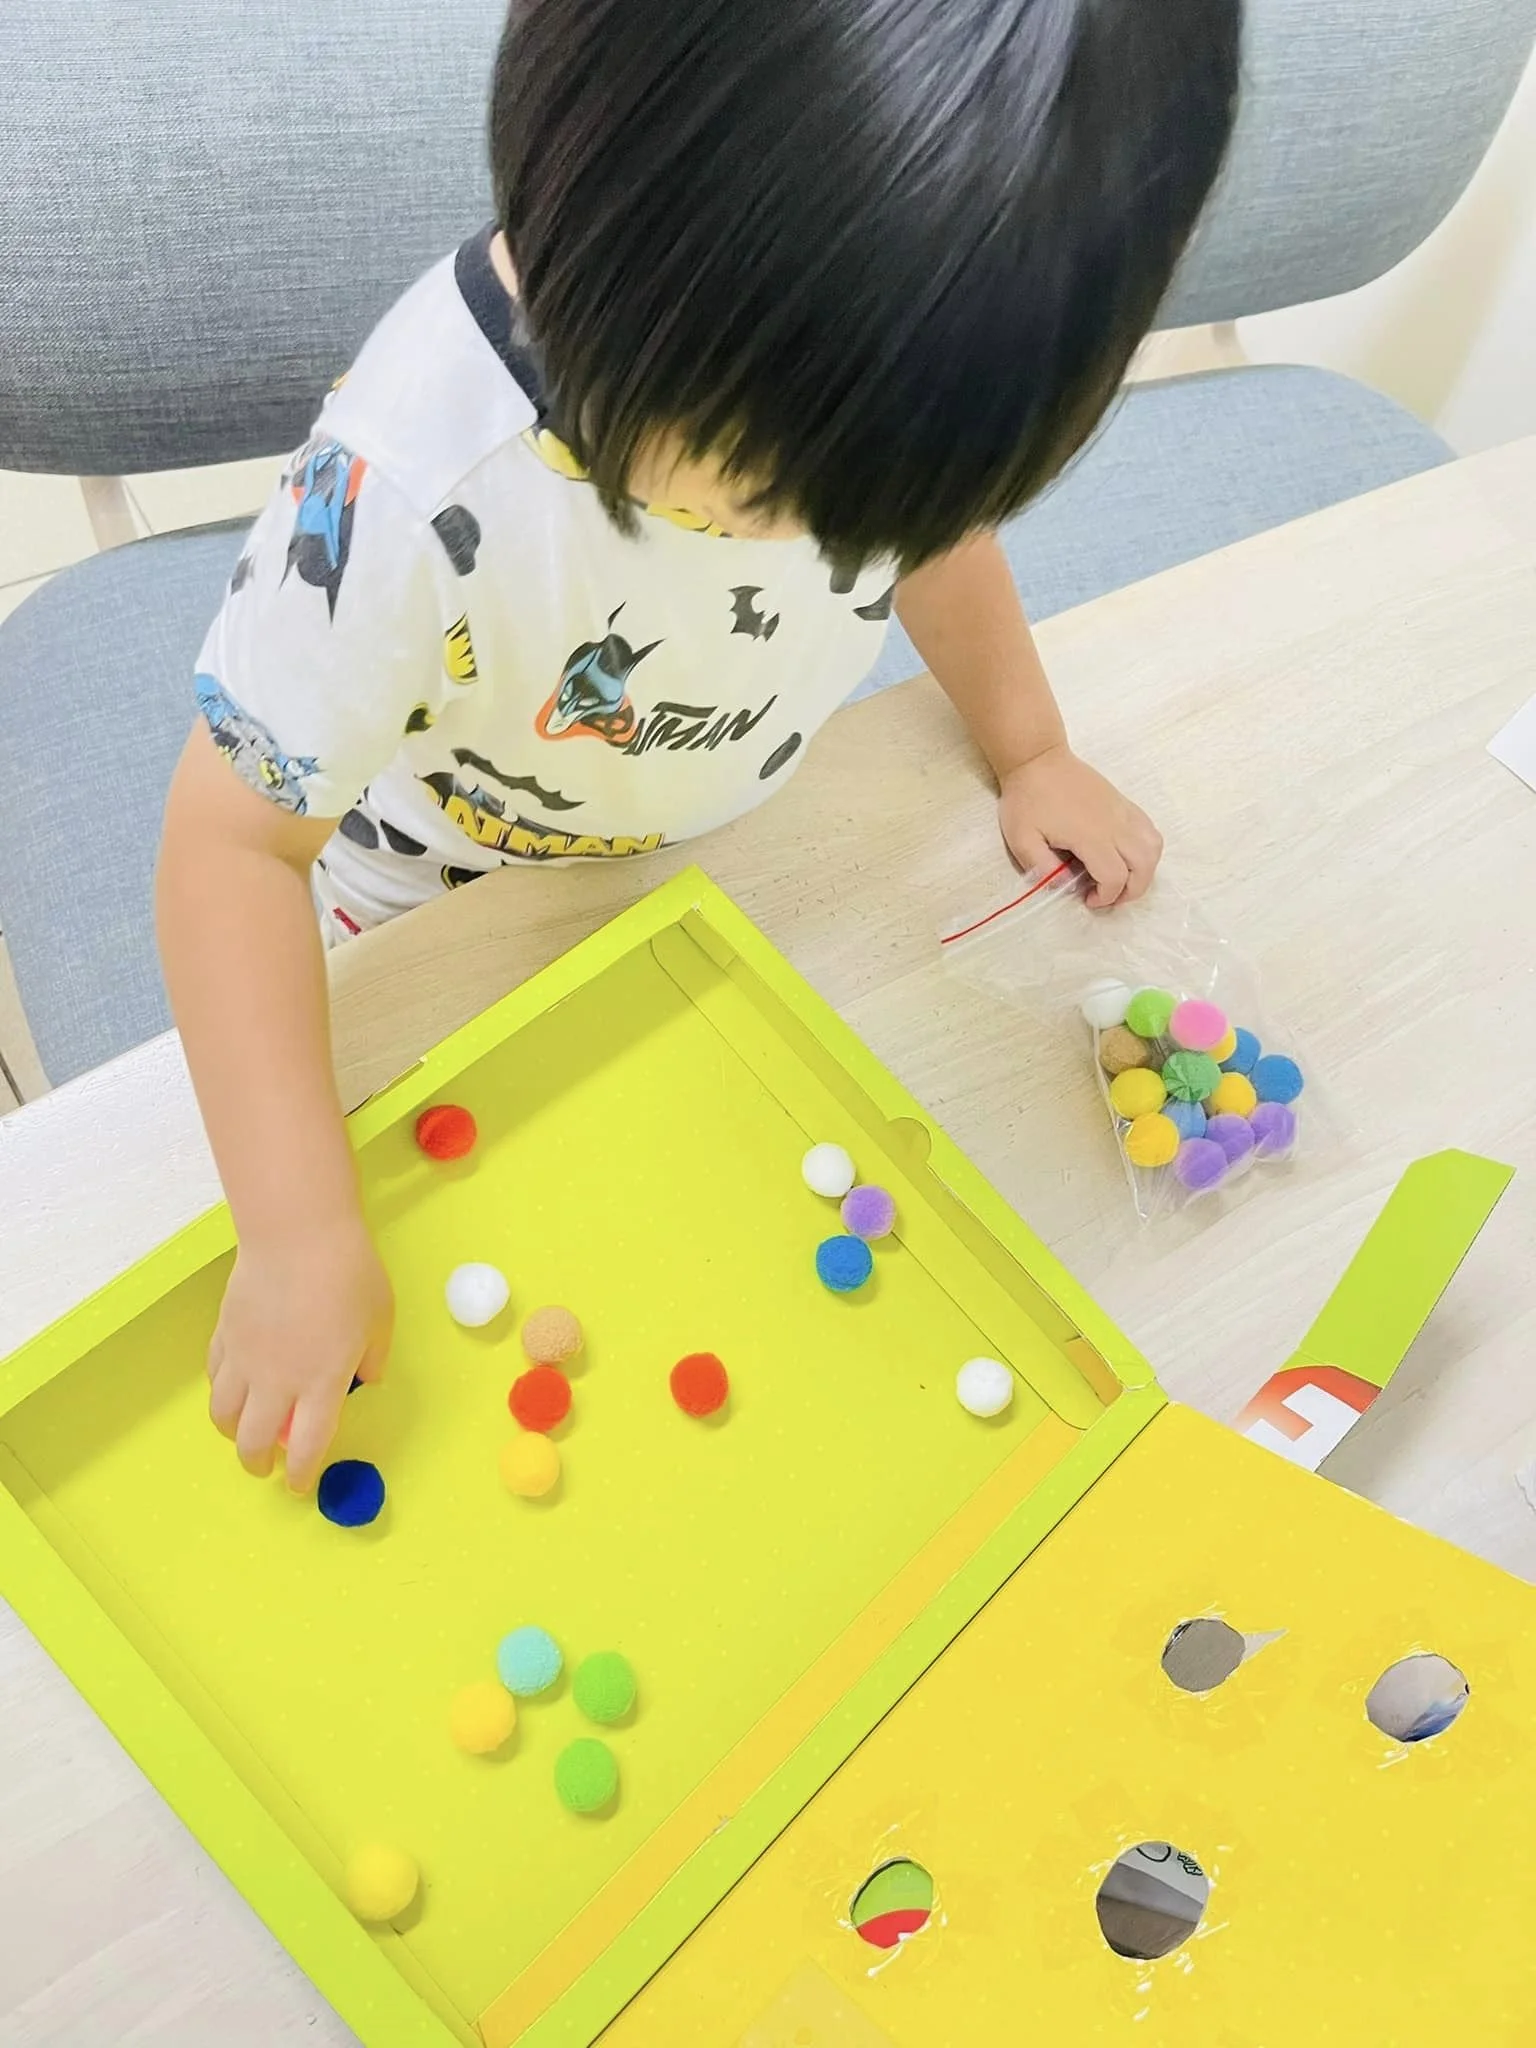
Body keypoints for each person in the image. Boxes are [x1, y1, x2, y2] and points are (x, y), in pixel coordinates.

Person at [157, 0, 1242, 1490]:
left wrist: (1031, 747)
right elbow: (229, 848)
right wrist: (294, 1227)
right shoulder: (409, 494)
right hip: (425, 915)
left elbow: (934, 541)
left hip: (713, 876)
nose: (817, 541)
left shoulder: (857, 410)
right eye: (775, 500)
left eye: (874, 509)